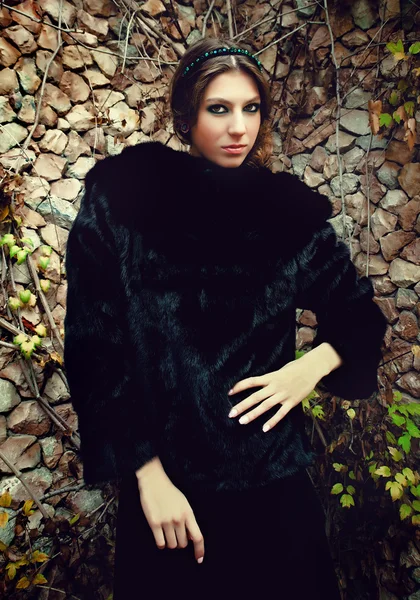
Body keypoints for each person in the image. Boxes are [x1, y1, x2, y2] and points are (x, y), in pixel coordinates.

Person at [64, 38, 387, 599]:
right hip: (171, 501)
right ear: (187, 116)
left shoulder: (289, 213)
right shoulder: (124, 197)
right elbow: (95, 349)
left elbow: (360, 319)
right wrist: (148, 476)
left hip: (273, 489)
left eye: (251, 108)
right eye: (220, 108)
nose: (239, 127)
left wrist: (305, 370)